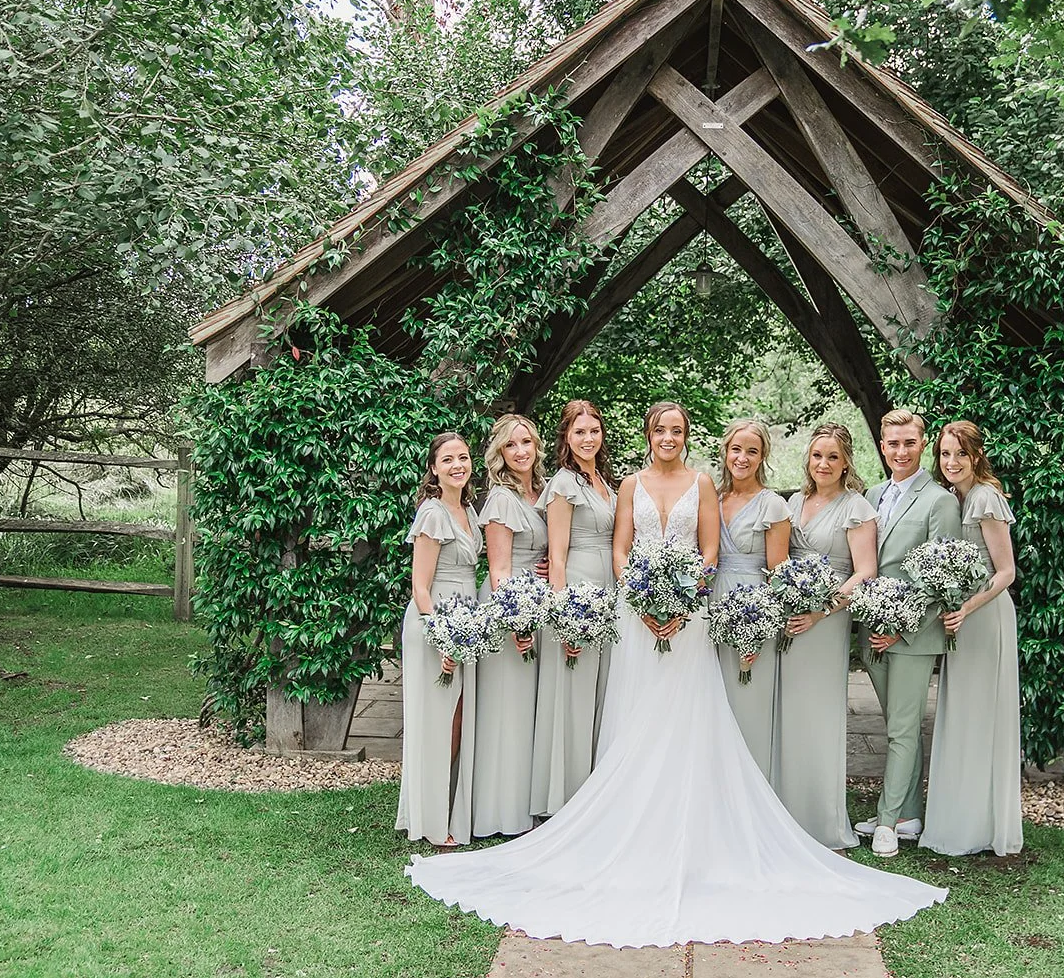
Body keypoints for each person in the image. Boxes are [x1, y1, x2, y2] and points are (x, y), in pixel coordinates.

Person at [405, 402, 946, 948]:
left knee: (689, 719)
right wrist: (642, 599)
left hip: (690, 618)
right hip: (635, 617)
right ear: (649, 435)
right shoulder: (629, 484)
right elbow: (620, 550)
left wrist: (685, 599)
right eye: (661, 430)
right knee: (633, 713)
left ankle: (695, 820)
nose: (669, 437)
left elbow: (709, 552)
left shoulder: (702, 483)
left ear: (687, 437)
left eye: (678, 430)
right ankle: (624, 819)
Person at [856, 409, 960, 858]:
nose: (901, 451)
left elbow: (944, 575)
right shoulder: (871, 495)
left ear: (922, 445)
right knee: (898, 725)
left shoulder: (939, 501)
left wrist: (901, 628)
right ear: (883, 447)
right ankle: (909, 815)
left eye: (909, 443)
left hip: (913, 635)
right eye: (893, 444)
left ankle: (885, 821)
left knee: (901, 728)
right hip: (871, 628)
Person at [919, 420, 1023, 856]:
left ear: (976, 455)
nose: (952, 461)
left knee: (981, 714)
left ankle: (981, 825)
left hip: (984, 617)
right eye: (945, 453)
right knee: (961, 712)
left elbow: (1006, 572)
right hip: (960, 616)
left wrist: (968, 607)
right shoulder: (952, 497)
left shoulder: (984, 497)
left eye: (960, 453)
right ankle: (959, 817)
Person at [778, 424, 876, 849]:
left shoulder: (856, 507)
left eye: (833, 457)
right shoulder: (794, 501)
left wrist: (821, 610)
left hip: (826, 619)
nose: (824, 464)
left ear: (846, 462)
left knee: (818, 712)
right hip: (789, 616)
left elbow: (864, 571)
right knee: (788, 711)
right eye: (818, 455)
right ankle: (783, 809)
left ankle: (818, 817)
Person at [530, 399, 616, 817]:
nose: (588, 438)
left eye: (594, 431)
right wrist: (565, 619)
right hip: (579, 592)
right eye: (579, 432)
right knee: (573, 694)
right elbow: (557, 557)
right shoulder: (564, 484)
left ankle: (595, 789)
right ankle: (564, 796)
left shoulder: (603, 481)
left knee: (601, 693)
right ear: (566, 436)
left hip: (610, 592)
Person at [394, 432, 480, 847]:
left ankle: (444, 806)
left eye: (463, 457)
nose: (457, 465)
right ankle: (430, 822)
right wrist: (443, 637)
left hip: (463, 618)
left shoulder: (468, 510)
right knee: (435, 721)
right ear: (433, 468)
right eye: (447, 460)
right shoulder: (431, 514)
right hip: (435, 622)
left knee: (456, 718)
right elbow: (420, 587)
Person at [473, 414, 548, 838]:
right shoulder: (501, 500)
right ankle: (501, 812)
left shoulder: (541, 490)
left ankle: (525, 802)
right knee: (507, 706)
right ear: (499, 453)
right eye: (511, 445)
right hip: (509, 606)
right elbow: (499, 569)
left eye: (526, 442)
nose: (520, 451)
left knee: (526, 709)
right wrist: (517, 620)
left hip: (536, 603)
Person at [712, 418, 791, 780]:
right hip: (711, 605)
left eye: (752, 451)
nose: (742, 458)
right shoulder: (712, 498)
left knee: (748, 700)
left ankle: (751, 789)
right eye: (736, 449)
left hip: (752, 609)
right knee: (714, 701)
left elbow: (778, 573)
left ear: (762, 457)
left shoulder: (772, 506)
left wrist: (758, 629)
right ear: (725, 452)